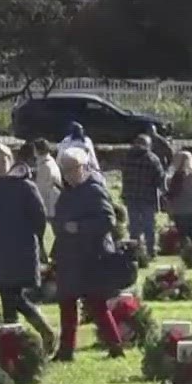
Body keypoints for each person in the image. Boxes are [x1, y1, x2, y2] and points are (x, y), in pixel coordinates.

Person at [50, 150, 125, 361]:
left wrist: (80, 227)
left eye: (74, 169)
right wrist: (62, 227)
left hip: (91, 256)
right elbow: (57, 220)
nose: (70, 174)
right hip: (68, 256)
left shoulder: (94, 190)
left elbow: (108, 221)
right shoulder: (66, 193)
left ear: (84, 168)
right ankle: (66, 350)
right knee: (66, 303)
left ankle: (115, 346)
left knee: (96, 304)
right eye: (66, 170)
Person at [0, 144, 56, 352]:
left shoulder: (24, 187)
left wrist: (34, 239)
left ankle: (42, 330)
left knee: (14, 295)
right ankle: (12, 342)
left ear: (11, 161)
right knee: (7, 297)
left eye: (3, 160)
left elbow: (39, 218)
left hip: (21, 248)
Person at [118, 134, 166, 259]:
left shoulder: (127, 157)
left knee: (134, 225)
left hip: (130, 195)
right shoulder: (152, 158)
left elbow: (123, 174)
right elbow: (160, 179)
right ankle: (150, 251)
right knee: (148, 225)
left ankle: (135, 251)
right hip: (147, 197)